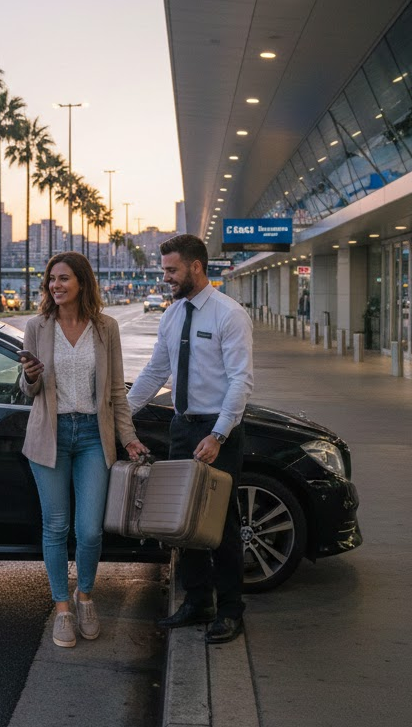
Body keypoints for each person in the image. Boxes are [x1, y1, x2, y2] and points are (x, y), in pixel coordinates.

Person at [126, 234, 253, 644]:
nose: (166, 277)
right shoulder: (172, 314)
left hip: (218, 430)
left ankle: (232, 609)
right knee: (184, 523)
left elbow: (240, 381)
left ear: (196, 267)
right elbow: (154, 372)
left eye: (171, 270)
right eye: (165, 269)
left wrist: (219, 433)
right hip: (182, 426)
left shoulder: (228, 315)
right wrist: (119, 415)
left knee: (220, 522)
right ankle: (199, 601)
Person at [20, 251, 150, 648]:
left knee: (90, 531)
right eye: (51, 280)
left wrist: (127, 437)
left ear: (82, 283)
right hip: (50, 436)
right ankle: (62, 608)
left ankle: (86, 597)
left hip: (94, 435)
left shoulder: (105, 328)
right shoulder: (37, 326)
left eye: (64, 279)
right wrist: (30, 377)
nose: (56, 285)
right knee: (56, 527)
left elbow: (115, 392)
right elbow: (27, 391)